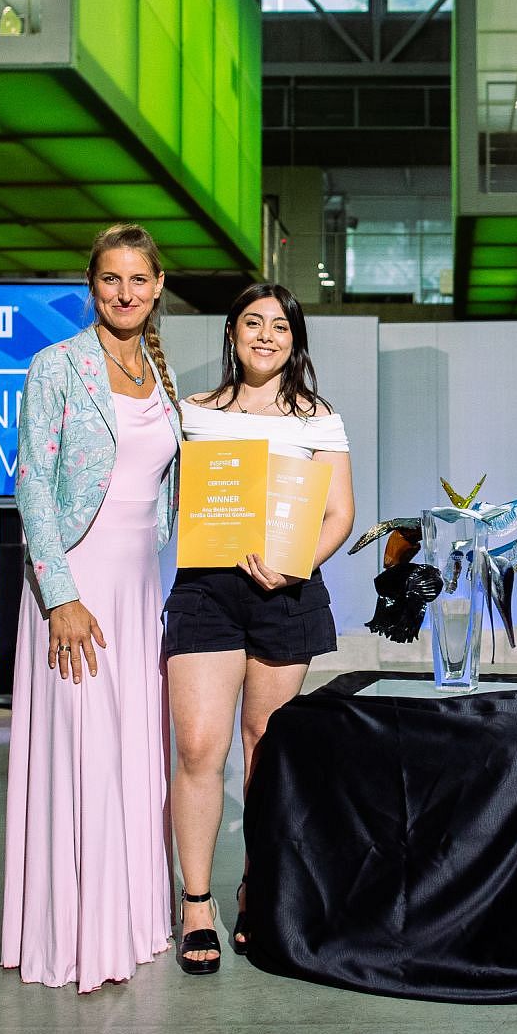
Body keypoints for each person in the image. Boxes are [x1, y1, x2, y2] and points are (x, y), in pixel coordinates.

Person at [3, 222, 183, 993]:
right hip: (77, 588)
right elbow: (31, 484)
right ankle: (77, 937)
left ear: (158, 285)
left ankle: (134, 922)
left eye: (139, 279)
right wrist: (60, 597)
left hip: (139, 590)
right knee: (85, 750)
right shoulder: (57, 365)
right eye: (111, 278)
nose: (125, 292)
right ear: (92, 284)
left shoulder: (159, 371)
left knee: (131, 749)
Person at [166, 283, 355, 975]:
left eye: (280, 325)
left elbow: (339, 514)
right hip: (206, 592)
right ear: (232, 332)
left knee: (263, 752)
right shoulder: (194, 413)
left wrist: (292, 563)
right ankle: (195, 902)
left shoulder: (319, 419)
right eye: (253, 322)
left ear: (294, 339)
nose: (266, 335)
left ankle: (254, 888)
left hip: (286, 593)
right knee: (198, 746)